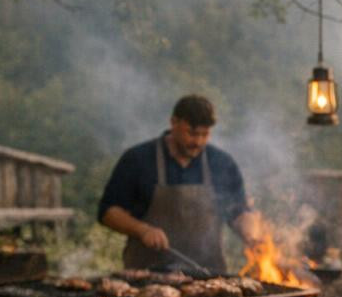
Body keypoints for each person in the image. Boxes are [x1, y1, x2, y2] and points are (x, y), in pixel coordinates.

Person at [97, 93, 265, 276]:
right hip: (146, 279)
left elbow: (239, 212)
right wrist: (142, 230)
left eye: (205, 134)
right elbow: (108, 212)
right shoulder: (138, 159)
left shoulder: (222, 163)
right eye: (192, 133)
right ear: (173, 123)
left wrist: (250, 235)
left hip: (209, 279)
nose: (198, 142)